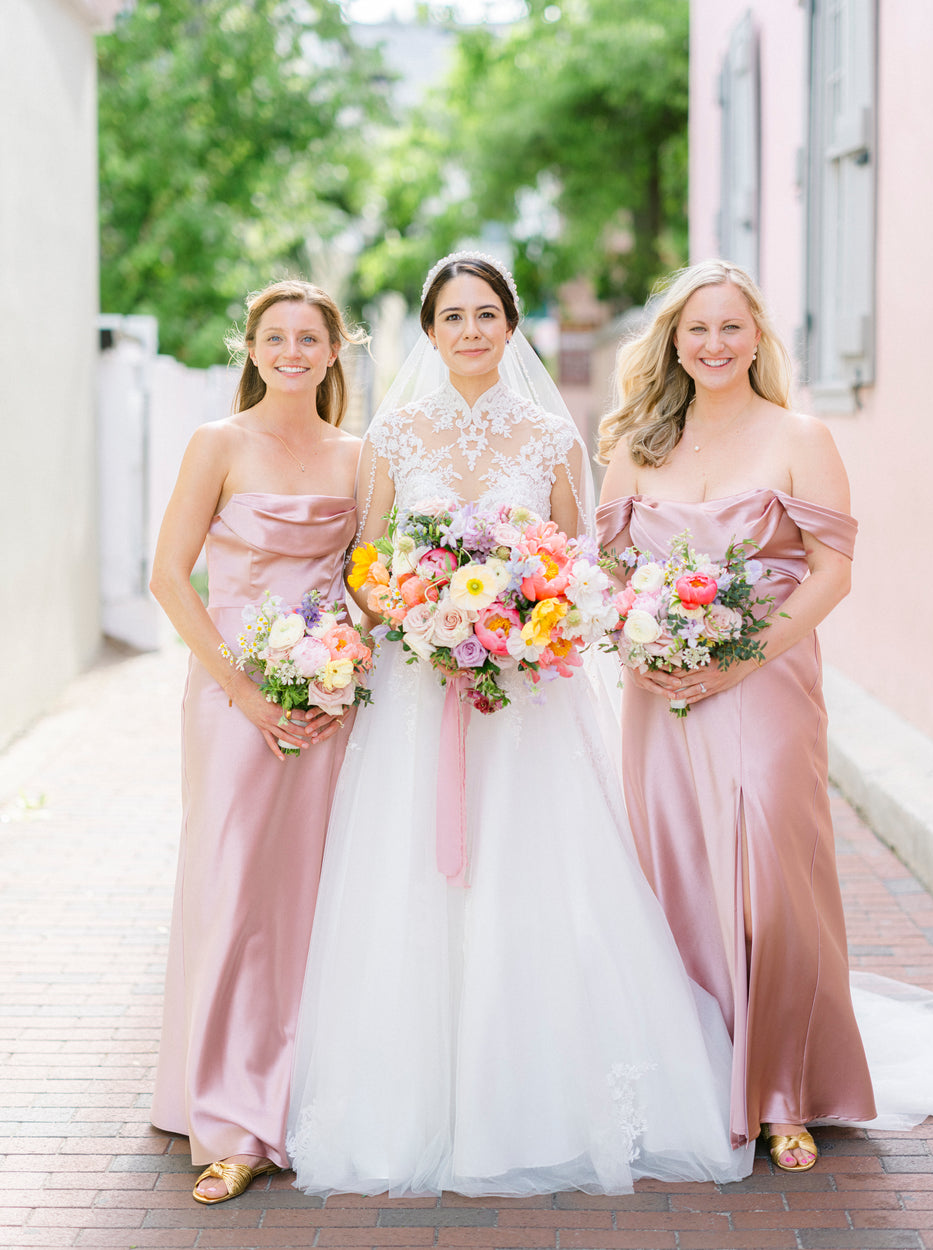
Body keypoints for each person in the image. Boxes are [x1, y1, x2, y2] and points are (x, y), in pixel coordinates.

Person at [284, 252, 755, 1197]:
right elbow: (364, 567)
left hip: (528, 699)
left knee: (538, 873)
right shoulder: (393, 435)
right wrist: (422, 612)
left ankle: (545, 1096)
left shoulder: (547, 436)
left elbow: (583, 565)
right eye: (452, 317)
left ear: (510, 325)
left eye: (486, 314)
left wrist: (524, 614)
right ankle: (416, 1104)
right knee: (414, 881)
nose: (470, 331)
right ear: (430, 332)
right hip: (420, 697)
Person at [595, 259, 933, 1172]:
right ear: (672, 343)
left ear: (757, 339)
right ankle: (701, 1081)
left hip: (767, 683)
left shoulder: (800, 436)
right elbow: (609, 572)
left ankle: (785, 1091)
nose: (714, 344)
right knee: (679, 877)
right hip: (661, 698)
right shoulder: (638, 447)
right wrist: (640, 649)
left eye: (730, 327)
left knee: (771, 887)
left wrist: (738, 656)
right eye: (697, 329)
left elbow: (831, 572)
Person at [149, 279, 365, 1204]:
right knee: (235, 889)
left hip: (328, 699)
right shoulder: (218, 443)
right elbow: (169, 576)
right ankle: (231, 1120)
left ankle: (302, 1101)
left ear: (333, 351)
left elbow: (369, 580)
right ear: (251, 347)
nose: (291, 352)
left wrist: (347, 665)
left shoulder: (360, 456)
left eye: (308, 338)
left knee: (314, 895)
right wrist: (243, 690)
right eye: (274, 337)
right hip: (232, 695)